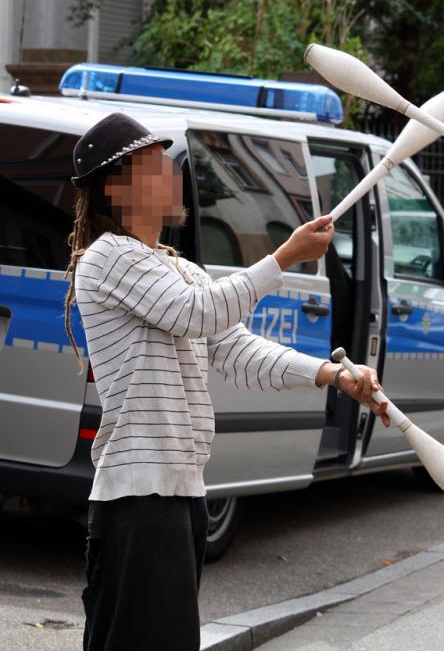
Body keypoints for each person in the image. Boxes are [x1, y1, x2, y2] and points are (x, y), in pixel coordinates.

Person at [63, 112, 390, 651]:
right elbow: (199, 312)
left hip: (183, 492)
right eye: (154, 166)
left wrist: (333, 375)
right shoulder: (107, 258)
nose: (172, 176)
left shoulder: (180, 268)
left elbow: (237, 350)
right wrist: (283, 257)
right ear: (116, 185)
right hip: (138, 497)